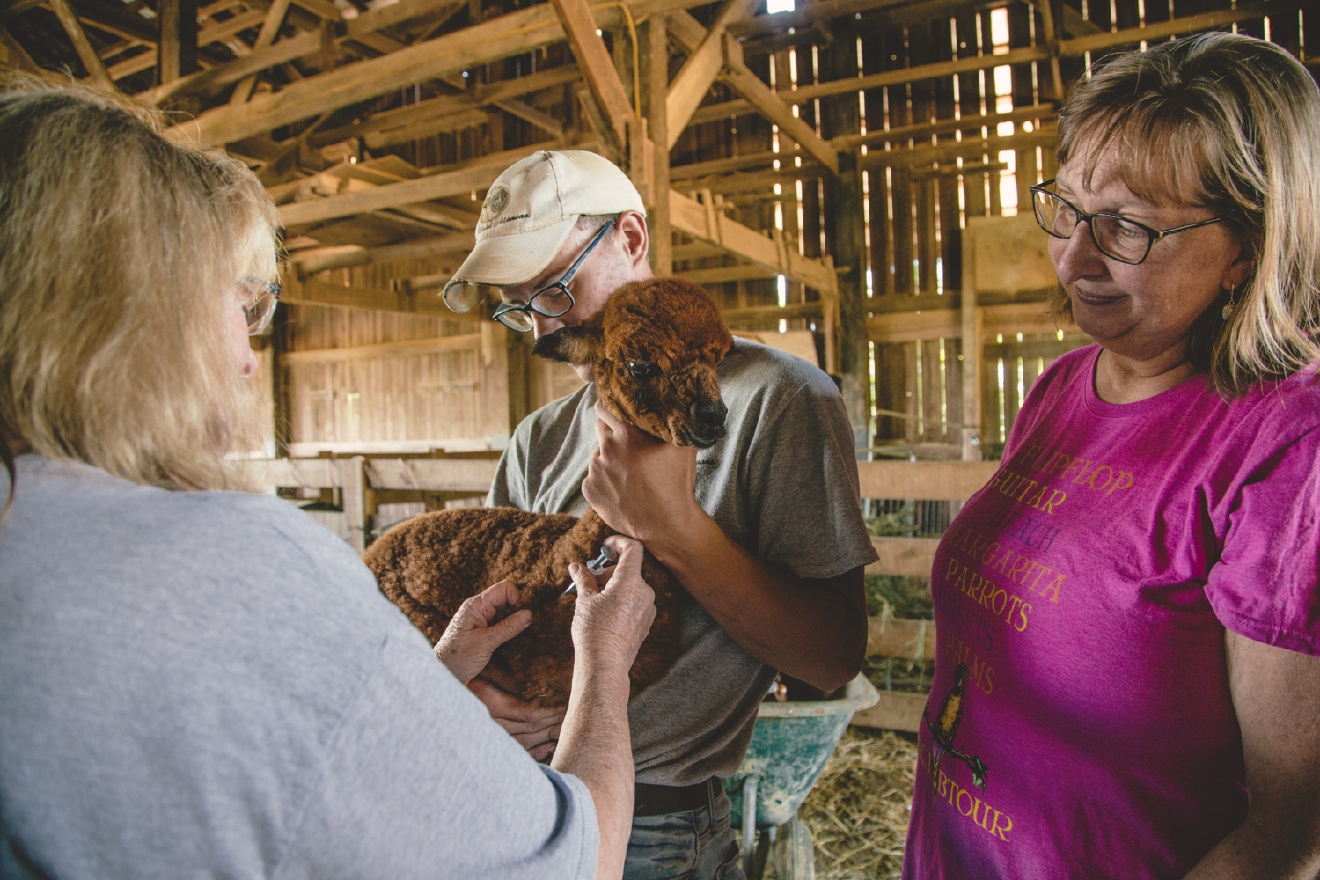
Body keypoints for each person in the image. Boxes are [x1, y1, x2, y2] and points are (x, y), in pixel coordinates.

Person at [0, 80, 657, 880]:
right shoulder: (233, 563)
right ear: (138, 327)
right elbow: (580, 863)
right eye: (235, 310)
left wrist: (423, 685)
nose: (248, 359)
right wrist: (608, 653)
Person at [902, 33, 1320, 879]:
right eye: (1069, 208)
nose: (1075, 257)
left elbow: (1291, 834)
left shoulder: (1288, 445)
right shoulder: (1065, 386)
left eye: (1128, 226)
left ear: (1247, 244)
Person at [440, 150, 878, 879]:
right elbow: (490, 609)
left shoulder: (777, 401)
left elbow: (831, 657)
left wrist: (672, 527)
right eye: (520, 308)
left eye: (554, 288)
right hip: (515, 801)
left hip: (654, 825)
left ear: (632, 239)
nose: (544, 331)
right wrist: (474, 696)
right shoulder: (540, 439)